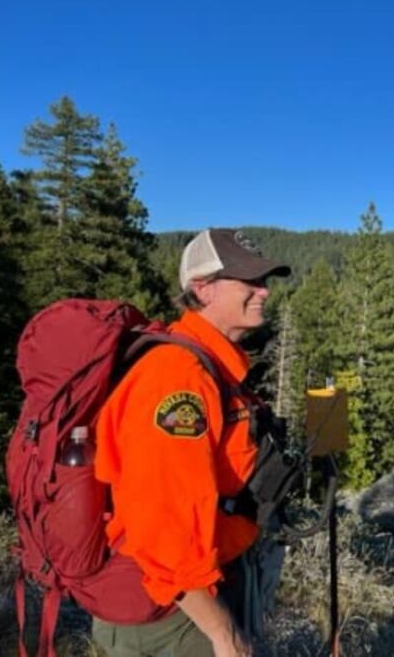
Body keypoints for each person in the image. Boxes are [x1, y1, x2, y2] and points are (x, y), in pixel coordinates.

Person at [92, 228, 290, 657]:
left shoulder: (215, 368)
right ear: (202, 289)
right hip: (172, 613)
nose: (264, 292)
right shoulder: (178, 378)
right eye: (250, 281)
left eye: (264, 281)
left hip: (196, 594)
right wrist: (223, 633)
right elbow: (164, 525)